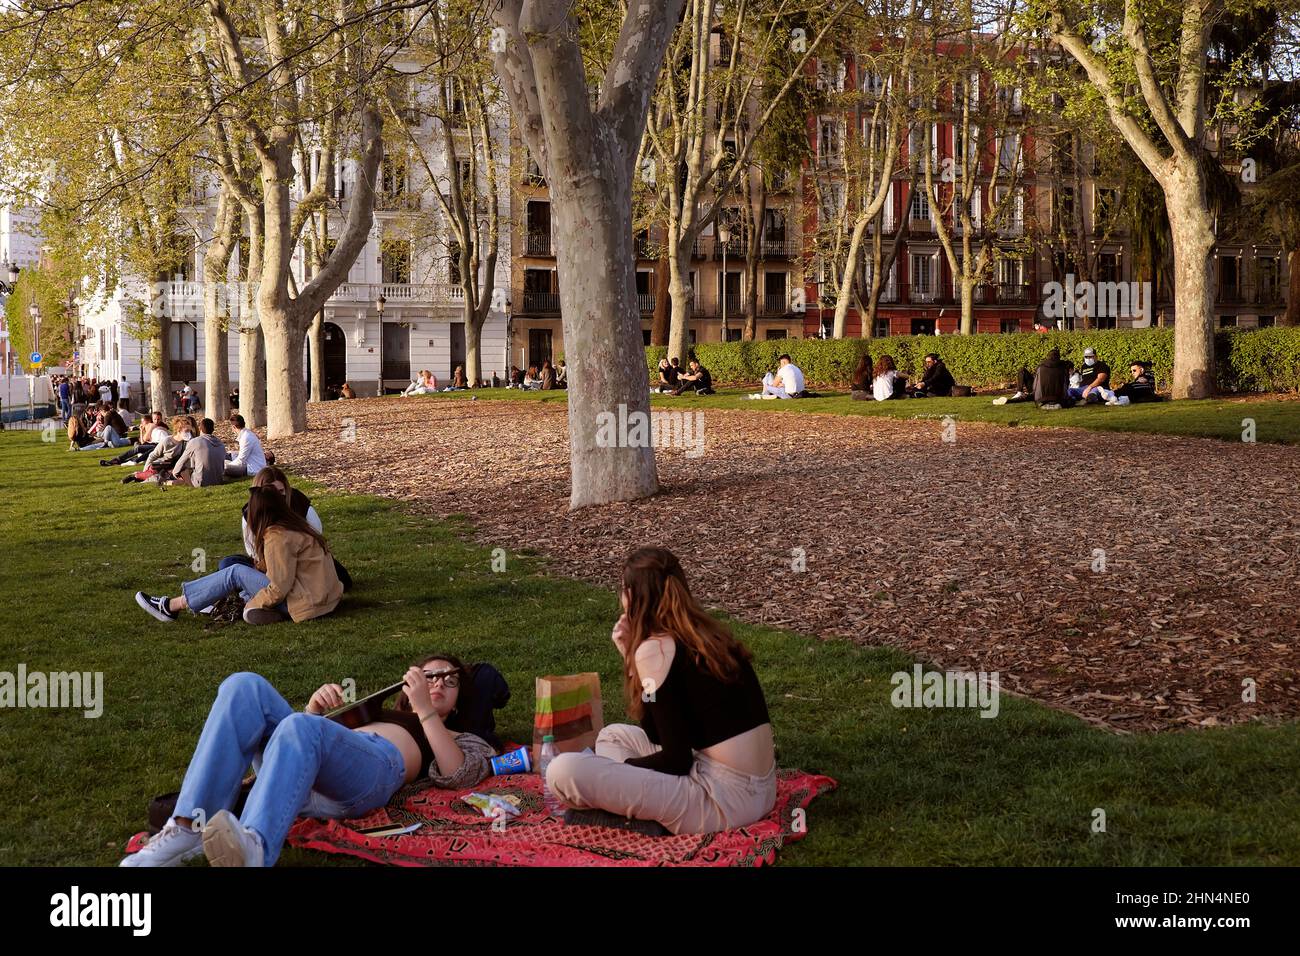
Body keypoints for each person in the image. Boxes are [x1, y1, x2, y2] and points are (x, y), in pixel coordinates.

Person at [120, 653, 496, 867]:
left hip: (372, 775)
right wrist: (314, 713)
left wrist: (426, 711)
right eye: (429, 677)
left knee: (302, 727)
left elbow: (459, 774)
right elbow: (299, 741)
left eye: (450, 681)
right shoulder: (380, 713)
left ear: (459, 700)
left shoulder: (457, 737)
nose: (438, 685)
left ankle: (255, 846)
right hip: (303, 773)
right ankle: (186, 827)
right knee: (243, 685)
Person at [546, 548, 776, 835]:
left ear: (633, 596)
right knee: (612, 735)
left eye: (622, 590)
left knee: (562, 771)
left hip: (721, 801)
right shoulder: (709, 635)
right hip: (761, 788)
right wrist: (632, 663)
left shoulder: (654, 649)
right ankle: (628, 798)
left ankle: (630, 810)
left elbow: (677, 760)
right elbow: (661, 734)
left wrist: (626, 770)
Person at [135, 485, 343, 626]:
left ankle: (172, 607)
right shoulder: (297, 527)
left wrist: (255, 602)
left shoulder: (279, 536)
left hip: (307, 605)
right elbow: (287, 569)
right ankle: (217, 600)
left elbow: (279, 587)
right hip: (324, 601)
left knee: (234, 571)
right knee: (238, 567)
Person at [218, 466, 350, 593]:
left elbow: (317, 536)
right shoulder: (251, 512)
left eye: (280, 491)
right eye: (271, 491)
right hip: (267, 563)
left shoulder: (298, 503)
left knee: (341, 579)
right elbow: (252, 551)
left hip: (302, 563)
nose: (276, 497)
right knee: (228, 563)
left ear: (286, 490)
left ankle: (251, 587)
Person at [124, 416, 195, 483]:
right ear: (179, 430)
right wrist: (145, 470)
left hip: (170, 467)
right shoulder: (167, 441)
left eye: (189, 431)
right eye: (187, 431)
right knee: (151, 476)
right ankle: (136, 475)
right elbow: (153, 455)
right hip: (158, 466)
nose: (189, 433)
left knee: (165, 477)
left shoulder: (185, 443)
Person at [170, 418, 227, 487]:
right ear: (213, 429)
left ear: (200, 429)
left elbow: (181, 462)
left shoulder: (195, 441)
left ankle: (173, 482)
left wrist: (175, 473)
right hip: (219, 480)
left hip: (201, 482)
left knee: (183, 470)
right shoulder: (220, 443)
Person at [224, 413, 267, 478]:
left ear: (233, 427)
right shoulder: (246, 434)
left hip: (253, 468)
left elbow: (241, 459)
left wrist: (229, 464)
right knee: (224, 461)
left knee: (224, 467)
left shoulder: (246, 437)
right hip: (249, 464)